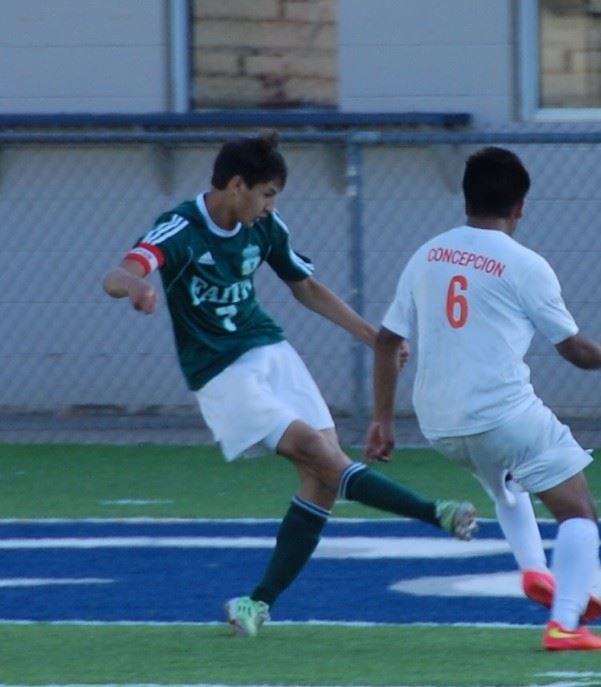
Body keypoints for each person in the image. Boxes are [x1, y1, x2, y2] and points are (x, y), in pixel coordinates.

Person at [101, 131, 478, 638]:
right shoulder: (181, 228)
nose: (271, 205)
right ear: (237, 186)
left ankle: (256, 604)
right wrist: (137, 286)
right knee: (315, 452)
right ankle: (434, 512)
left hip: (270, 351)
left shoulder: (265, 227)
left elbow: (305, 287)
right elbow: (118, 273)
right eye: (268, 194)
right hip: (220, 371)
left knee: (322, 481)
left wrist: (373, 338)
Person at [364, 146, 601, 651]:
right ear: (521, 207)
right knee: (579, 512)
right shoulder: (525, 264)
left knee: (505, 484)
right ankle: (566, 624)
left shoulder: (427, 254)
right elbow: (573, 350)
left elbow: (385, 340)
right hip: (501, 414)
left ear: (465, 199)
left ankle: (534, 570)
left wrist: (382, 419)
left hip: (438, 424)